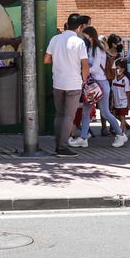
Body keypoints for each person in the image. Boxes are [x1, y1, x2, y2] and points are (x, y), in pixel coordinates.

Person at [74, 26, 128, 147]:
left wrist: (83, 71)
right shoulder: (91, 49)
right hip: (93, 83)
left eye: (85, 36)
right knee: (86, 111)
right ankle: (83, 138)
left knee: (105, 112)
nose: (83, 38)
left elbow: (95, 68)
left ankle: (120, 134)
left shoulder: (97, 50)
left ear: (90, 36)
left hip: (99, 84)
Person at [45, 13, 90, 157]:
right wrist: (84, 80)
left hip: (58, 82)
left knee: (59, 115)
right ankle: (62, 148)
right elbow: (85, 65)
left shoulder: (55, 39)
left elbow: (46, 60)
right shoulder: (79, 42)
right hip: (73, 83)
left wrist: (59, 62)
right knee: (69, 117)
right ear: (79, 27)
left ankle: (58, 145)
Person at [111, 60, 130, 130]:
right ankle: (127, 125)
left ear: (124, 69)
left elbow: (128, 93)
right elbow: (113, 91)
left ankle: (121, 132)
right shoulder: (114, 79)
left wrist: (129, 104)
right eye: (117, 68)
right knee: (117, 116)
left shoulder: (125, 80)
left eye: (121, 68)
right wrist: (112, 102)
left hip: (123, 102)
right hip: (116, 102)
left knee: (122, 117)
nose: (119, 70)